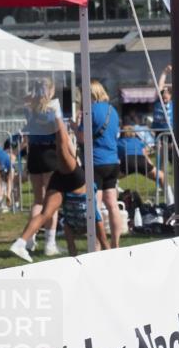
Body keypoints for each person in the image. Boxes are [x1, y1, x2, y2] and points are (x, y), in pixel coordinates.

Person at [10, 110, 109, 261]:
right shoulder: (92, 219)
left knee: (45, 212)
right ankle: (32, 243)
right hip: (68, 174)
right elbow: (65, 143)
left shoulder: (71, 225)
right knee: (62, 147)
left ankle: (21, 242)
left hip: (56, 173)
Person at [23, 78, 62, 256]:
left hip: (34, 155)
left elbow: (28, 100)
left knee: (38, 200)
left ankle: (30, 239)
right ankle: (50, 243)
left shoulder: (29, 109)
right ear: (50, 90)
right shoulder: (52, 109)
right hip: (49, 154)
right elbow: (60, 130)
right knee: (51, 202)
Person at [82, 81, 122, 248]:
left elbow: (82, 137)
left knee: (95, 205)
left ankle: (97, 244)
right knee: (112, 204)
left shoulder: (89, 111)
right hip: (112, 161)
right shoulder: (113, 110)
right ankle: (115, 243)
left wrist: (74, 126)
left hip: (95, 162)